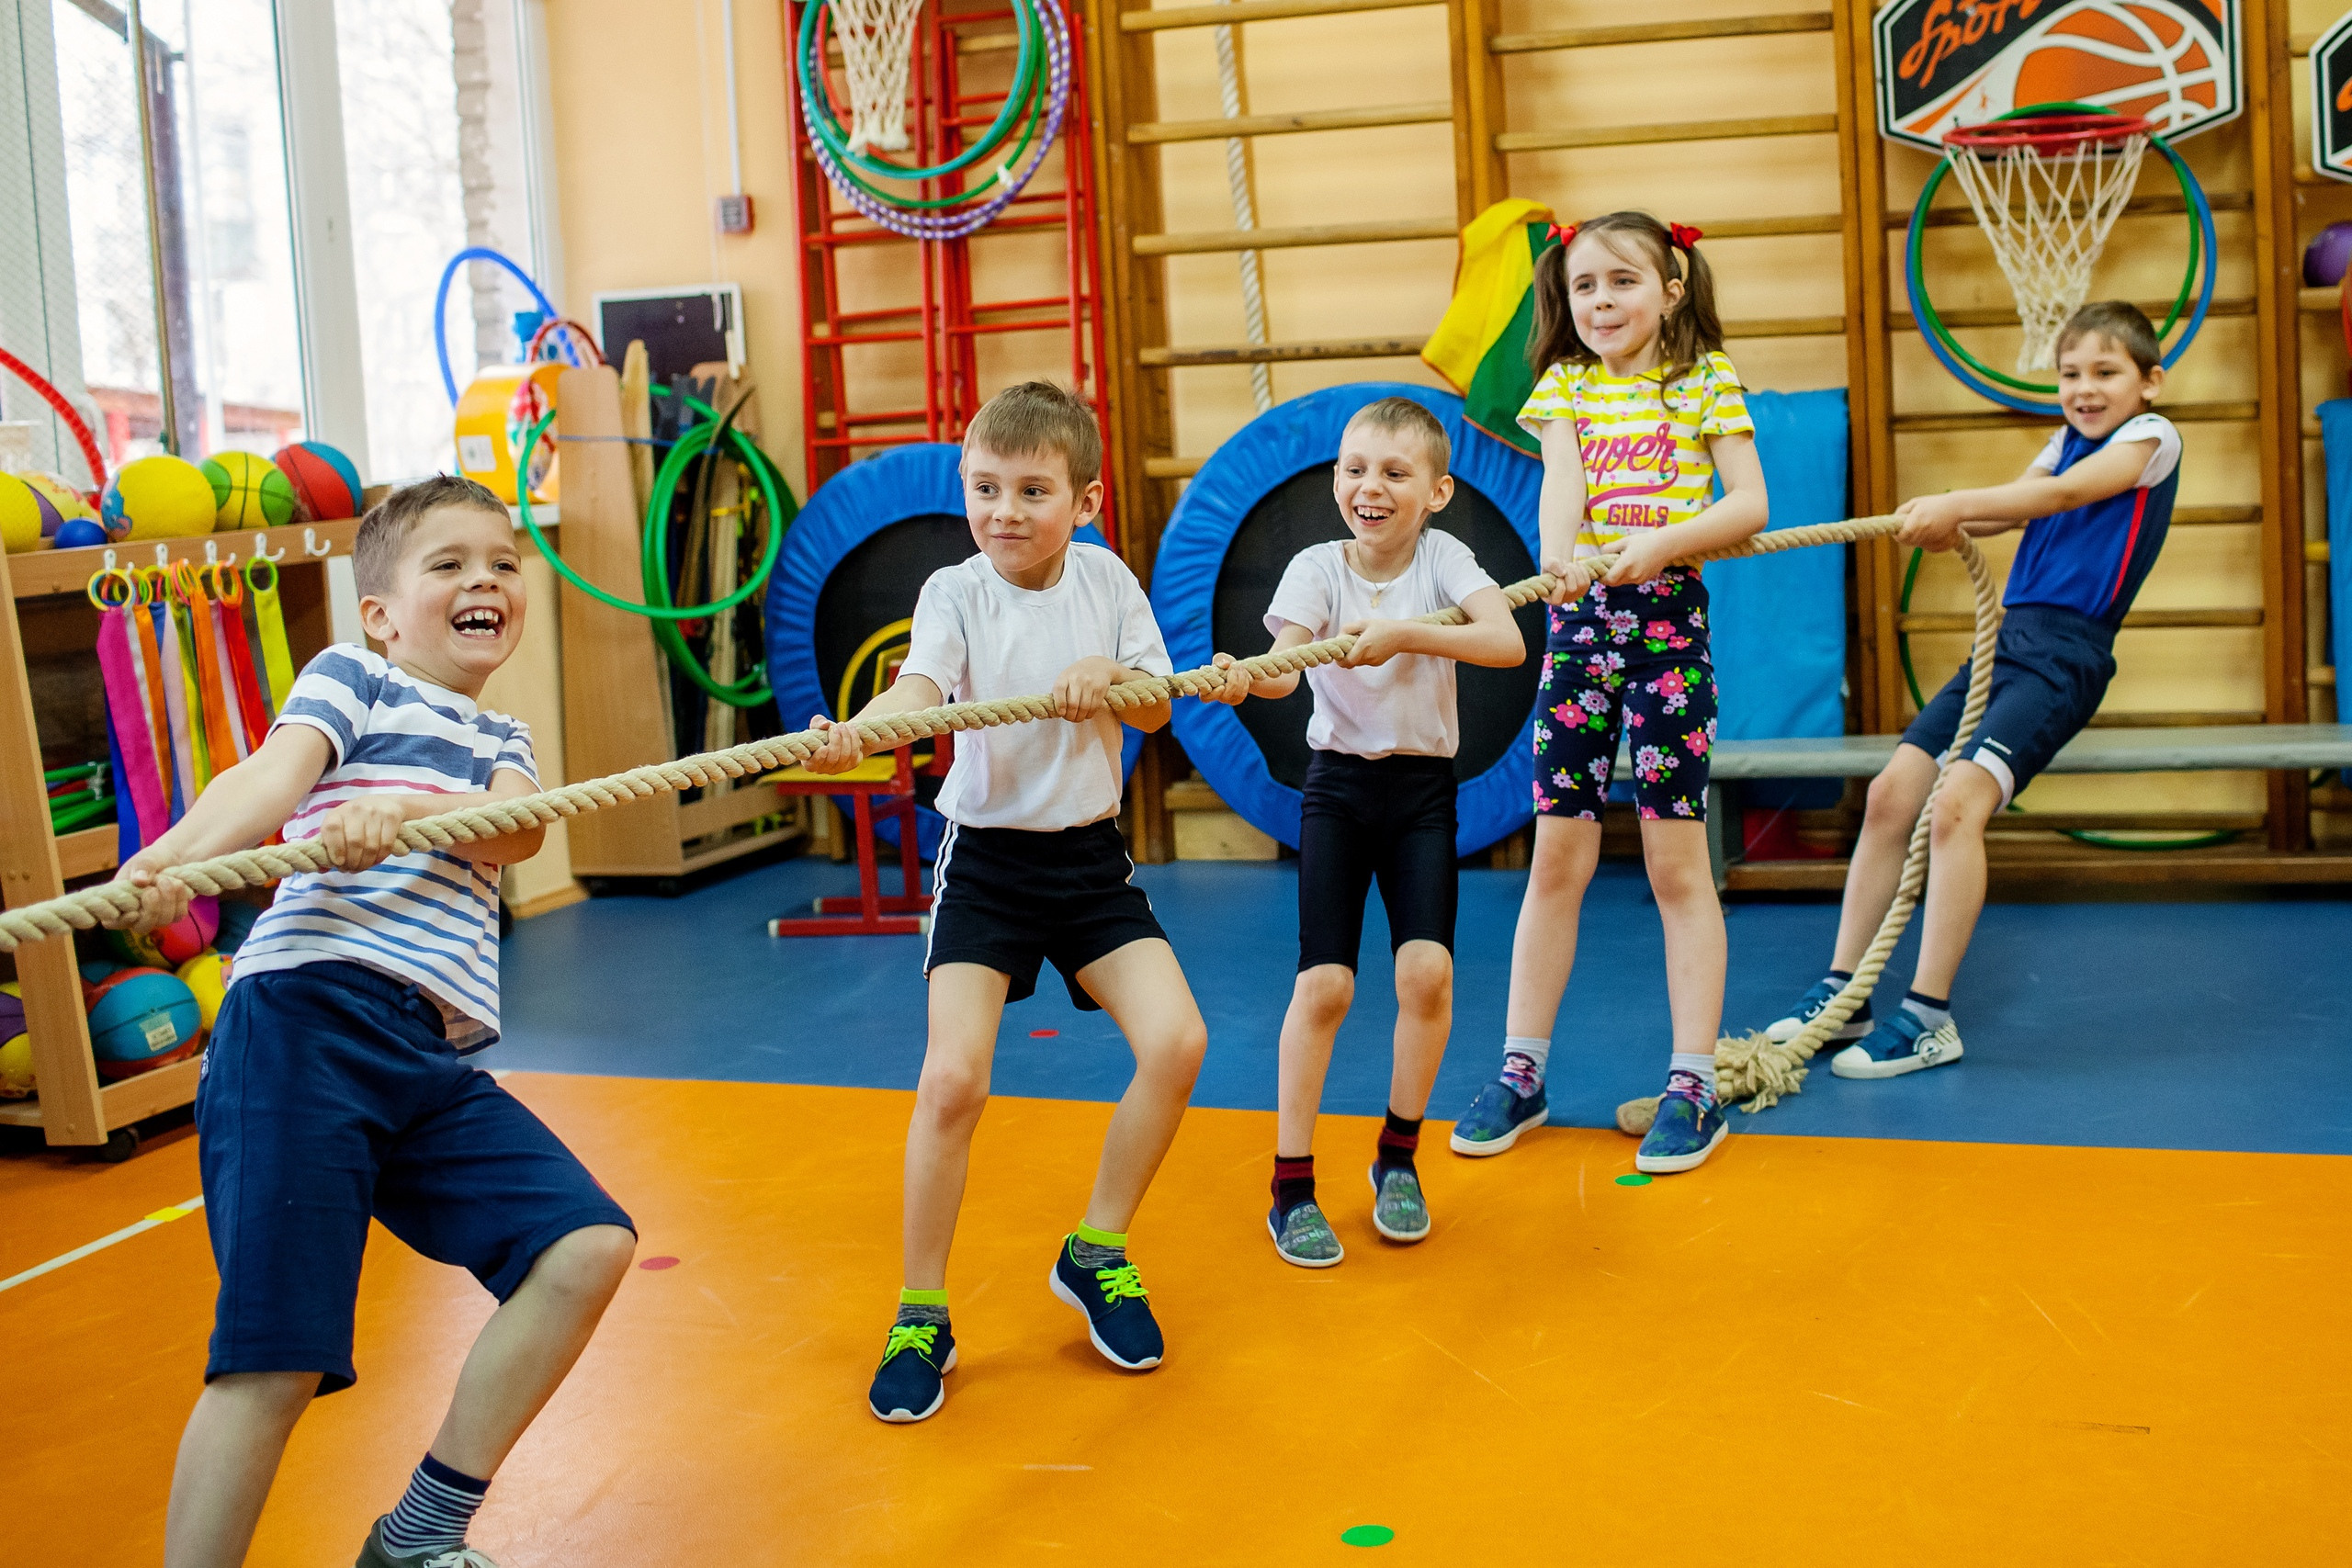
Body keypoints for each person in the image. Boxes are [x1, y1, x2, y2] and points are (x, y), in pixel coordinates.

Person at [111, 475, 637, 1568]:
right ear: (381, 614)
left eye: (501, 563)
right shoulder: (355, 677)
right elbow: (270, 778)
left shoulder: (503, 738)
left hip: (422, 1053)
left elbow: (517, 832)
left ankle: (417, 1536)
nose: (485, 579)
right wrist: (171, 861)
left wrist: (408, 812)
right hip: (303, 1023)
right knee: (275, 1357)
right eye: (449, 564)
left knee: (585, 1246)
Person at [805, 381, 1231, 1424]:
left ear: (1084, 502)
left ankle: (1096, 1249)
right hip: (988, 865)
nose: (1004, 511)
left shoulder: (1108, 582)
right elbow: (922, 690)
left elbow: (1158, 704)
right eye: (985, 487)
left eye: (1032, 491)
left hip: (1087, 863)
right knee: (953, 1079)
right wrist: (864, 729)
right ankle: (921, 1313)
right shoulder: (955, 590)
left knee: (1177, 1042)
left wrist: (1107, 673)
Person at [1761, 299, 2181, 1077]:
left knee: (1957, 804)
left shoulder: (2151, 440)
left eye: (2105, 372)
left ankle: (1929, 1018)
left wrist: (1959, 505)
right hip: (2009, 643)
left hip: (2064, 657)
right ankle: (1846, 994)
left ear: (2149, 382)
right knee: (1892, 794)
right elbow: (2007, 509)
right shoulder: (2064, 441)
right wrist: (1944, 520)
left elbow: (2059, 497)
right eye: (2070, 374)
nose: (2084, 389)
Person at [1448, 211, 1768, 1175]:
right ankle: (1522, 1072)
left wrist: (1663, 543)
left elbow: (1748, 503)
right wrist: (1559, 556)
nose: (1599, 301)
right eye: (1583, 286)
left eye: (1622, 281)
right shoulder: (1565, 386)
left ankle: (1692, 1084)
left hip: (1669, 634)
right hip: (1582, 631)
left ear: (1671, 290)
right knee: (1557, 858)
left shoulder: (1706, 379)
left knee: (1675, 865)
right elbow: (1561, 488)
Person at [1208, 397, 1522, 1268]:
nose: (1369, 487)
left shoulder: (1444, 559)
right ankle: (1291, 1185)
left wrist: (1403, 636)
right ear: (1336, 480)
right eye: (1354, 469)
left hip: (1422, 792)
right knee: (1326, 986)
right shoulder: (1317, 568)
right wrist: (1244, 676)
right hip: (1339, 790)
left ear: (1437, 492)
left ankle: (1398, 1156)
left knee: (1427, 972)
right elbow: (1284, 672)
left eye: (1393, 472)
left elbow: (1505, 641)